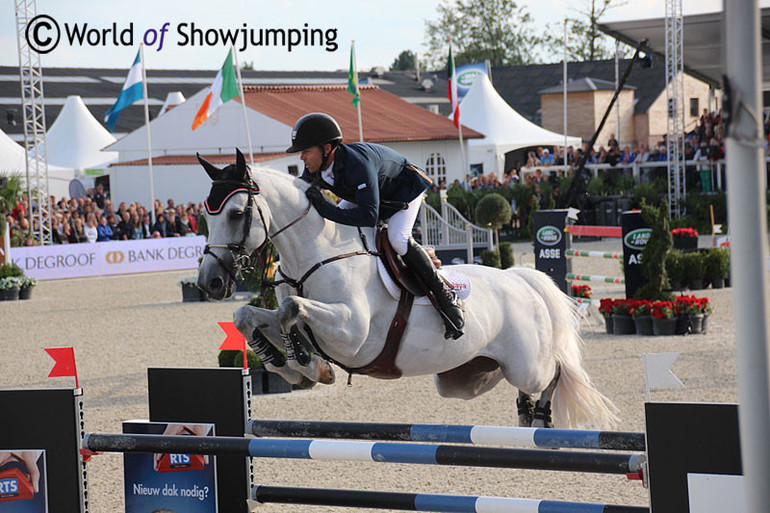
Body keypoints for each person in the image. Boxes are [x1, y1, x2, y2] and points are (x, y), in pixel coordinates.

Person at [286, 112, 464, 339]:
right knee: (339, 228)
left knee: (398, 239)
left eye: (306, 151)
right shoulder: (315, 166)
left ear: (327, 148)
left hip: (403, 193)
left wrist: (326, 208)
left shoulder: (357, 164)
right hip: (367, 195)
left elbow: (369, 216)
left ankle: (446, 299)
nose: (302, 158)